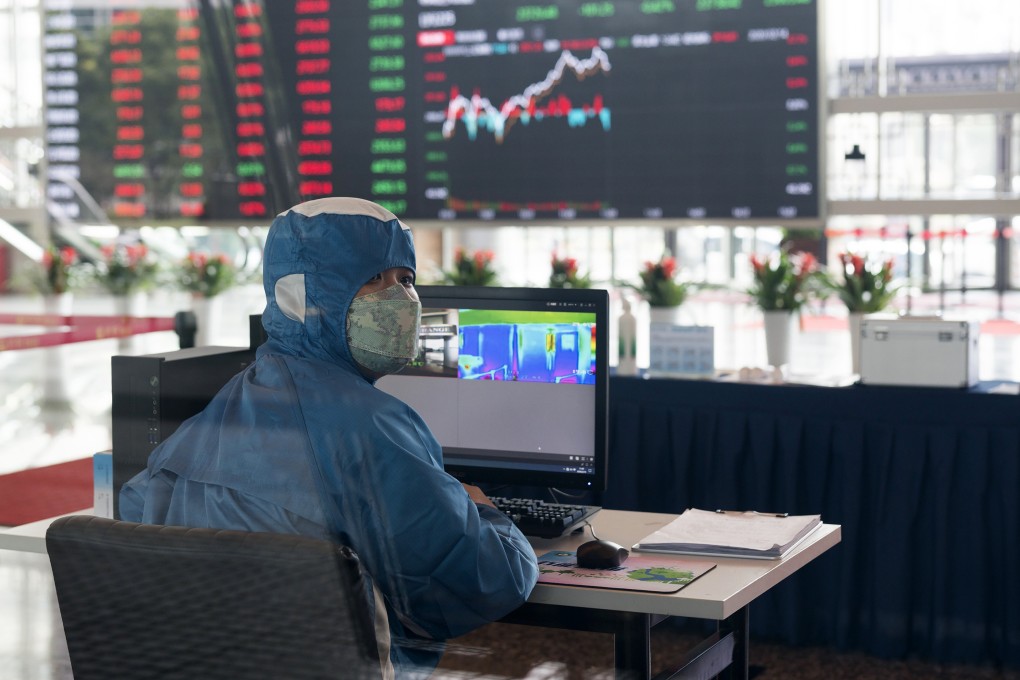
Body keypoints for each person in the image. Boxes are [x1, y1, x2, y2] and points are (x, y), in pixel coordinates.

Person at [120, 197, 539, 677]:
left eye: (406, 280)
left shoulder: (221, 412)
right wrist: (489, 516)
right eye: (374, 280)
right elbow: (472, 581)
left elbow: (137, 529)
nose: (402, 301)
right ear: (304, 295)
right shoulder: (372, 428)